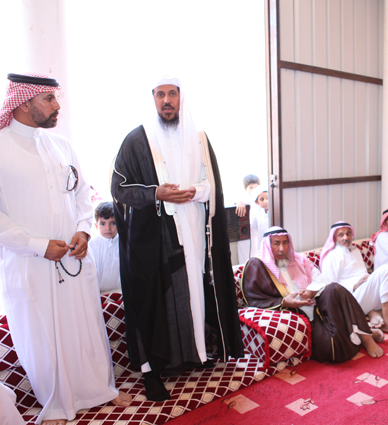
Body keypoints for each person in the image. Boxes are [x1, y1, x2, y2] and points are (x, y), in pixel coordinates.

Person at [0, 72, 131, 424]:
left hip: (73, 257)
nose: (57, 105)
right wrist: (37, 246)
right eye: (48, 99)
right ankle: (56, 404)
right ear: (23, 102)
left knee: (84, 328)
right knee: (42, 335)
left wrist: (83, 232)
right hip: (29, 262)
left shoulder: (61, 145)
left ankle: (99, 390)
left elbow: (83, 194)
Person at [111, 76, 244, 401]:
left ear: (182, 98)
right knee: (157, 299)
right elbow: (118, 189)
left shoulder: (198, 137)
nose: (167, 101)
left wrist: (195, 191)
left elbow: (212, 185)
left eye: (172, 94)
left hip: (195, 232)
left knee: (192, 293)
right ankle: (151, 370)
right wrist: (156, 193)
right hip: (154, 239)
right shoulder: (136, 140)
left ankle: (195, 354)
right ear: (153, 98)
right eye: (161, 95)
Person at [241, 226, 385, 360]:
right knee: (331, 348)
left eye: (285, 243)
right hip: (296, 313)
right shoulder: (257, 265)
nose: (282, 248)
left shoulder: (297, 259)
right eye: (276, 243)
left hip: (315, 304)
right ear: (267, 245)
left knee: (334, 288)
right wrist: (284, 302)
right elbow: (254, 299)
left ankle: (367, 339)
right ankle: (364, 331)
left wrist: (310, 292)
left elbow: (322, 279)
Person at [320, 221, 388, 337]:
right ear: (334, 238)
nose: (346, 237)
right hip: (352, 299)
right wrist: (353, 286)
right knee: (386, 269)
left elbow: (362, 274)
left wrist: (371, 281)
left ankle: (374, 312)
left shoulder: (355, 251)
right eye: (341, 235)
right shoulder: (331, 257)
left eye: (348, 234)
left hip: (365, 292)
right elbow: (330, 288)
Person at [89, 202, 121, 293]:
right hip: (98, 293)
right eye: (103, 224)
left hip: (121, 292)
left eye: (113, 223)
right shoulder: (92, 245)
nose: (108, 228)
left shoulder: (124, 243)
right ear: (96, 226)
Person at [236, 174, 260, 263]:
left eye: (256, 187)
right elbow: (237, 201)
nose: (253, 189)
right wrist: (240, 202)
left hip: (257, 235)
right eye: (250, 187)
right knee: (245, 260)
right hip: (245, 237)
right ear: (245, 189)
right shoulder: (244, 199)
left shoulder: (261, 200)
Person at [249, 185, 269, 259]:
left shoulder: (275, 211)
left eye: (267, 198)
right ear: (256, 202)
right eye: (262, 199)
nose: (265, 201)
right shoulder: (257, 214)